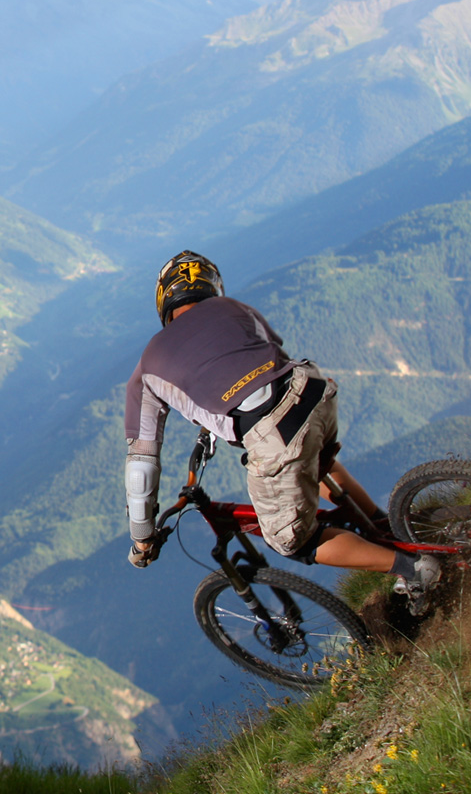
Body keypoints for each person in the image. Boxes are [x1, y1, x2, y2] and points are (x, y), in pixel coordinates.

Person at [124, 250, 440, 596]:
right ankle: (385, 524)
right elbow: (266, 361)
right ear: (212, 287)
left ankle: (413, 571)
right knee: (316, 459)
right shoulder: (238, 309)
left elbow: (142, 465)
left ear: (164, 301)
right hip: (312, 388)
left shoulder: (148, 367)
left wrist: (142, 537)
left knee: (292, 542)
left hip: (271, 428)